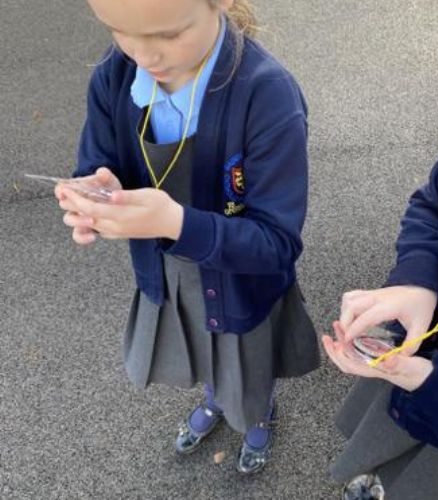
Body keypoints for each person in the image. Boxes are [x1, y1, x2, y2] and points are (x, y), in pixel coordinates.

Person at [55, 0, 319, 474]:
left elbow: (276, 244)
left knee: (246, 360)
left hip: (243, 281)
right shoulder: (116, 73)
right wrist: (94, 190)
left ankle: (259, 412)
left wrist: (175, 223)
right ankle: (217, 398)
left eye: (169, 34)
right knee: (203, 343)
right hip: (171, 275)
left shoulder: (267, 95)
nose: (144, 56)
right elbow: (98, 157)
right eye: (119, 30)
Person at [323, 5, 438, 499]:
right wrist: (415, 281)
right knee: (386, 450)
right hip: (417, 363)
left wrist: (436, 385)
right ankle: (378, 477)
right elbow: (432, 201)